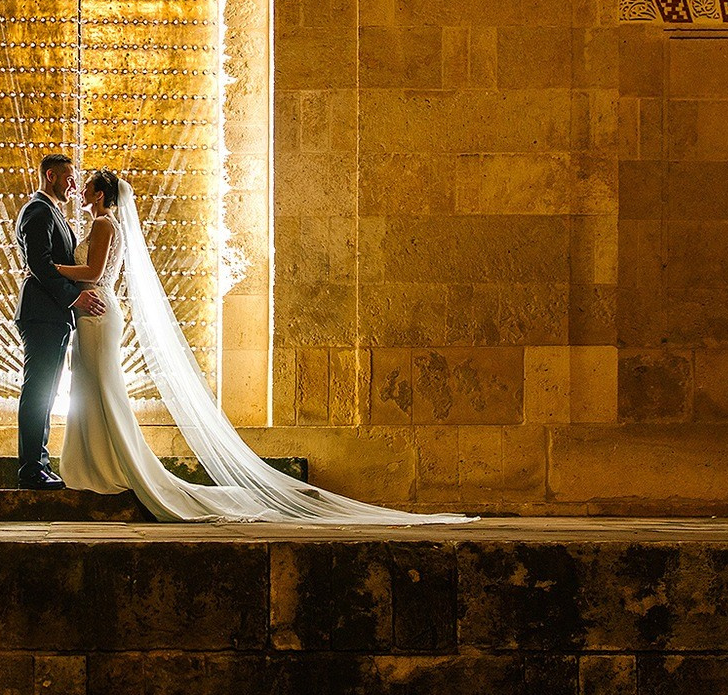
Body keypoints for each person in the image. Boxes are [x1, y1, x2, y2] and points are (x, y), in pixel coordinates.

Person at [43, 166, 470, 525]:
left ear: (100, 194)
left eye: (87, 186)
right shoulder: (104, 224)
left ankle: (112, 468)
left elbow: (94, 269)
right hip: (94, 313)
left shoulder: (102, 224)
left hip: (96, 312)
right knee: (92, 390)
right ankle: (97, 465)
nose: (80, 191)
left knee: (101, 389)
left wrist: (48, 270)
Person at [12, 153, 107, 488]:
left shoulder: (56, 215)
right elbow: (39, 264)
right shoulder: (38, 211)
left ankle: (40, 463)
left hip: (53, 316)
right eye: (68, 178)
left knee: (48, 390)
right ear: (50, 175)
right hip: (41, 314)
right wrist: (73, 297)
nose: (73, 185)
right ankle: (31, 471)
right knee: (38, 389)